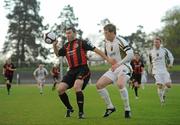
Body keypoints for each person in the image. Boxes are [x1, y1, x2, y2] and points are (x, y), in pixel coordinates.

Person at [53, 27, 115, 119]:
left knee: (77, 86)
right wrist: (54, 46)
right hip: (71, 70)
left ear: (75, 33)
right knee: (60, 89)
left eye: (69, 33)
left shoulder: (82, 42)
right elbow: (58, 54)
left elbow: (96, 50)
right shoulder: (66, 46)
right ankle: (69, 108)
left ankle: (81, 113)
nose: (67, 35)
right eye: (66, 33)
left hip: (83, 69)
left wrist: (107, 59)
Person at [96, 24, 134, 118]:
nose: (104, 35)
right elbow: (105, 57)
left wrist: (119, 63)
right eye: (104, 33)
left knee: (120, 84)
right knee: (99, 85)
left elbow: (130, 54)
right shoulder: (106, 43)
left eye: (106, 33)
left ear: (112, 32)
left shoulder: (120, 40)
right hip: (114, 69)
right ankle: (110, 107)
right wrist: (88, 58)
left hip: (125, 67)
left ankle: (127, 110)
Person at [149, 37, 174, 105]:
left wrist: (170, 64)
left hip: (164, 70)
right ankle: (162, 101)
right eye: (155, 42)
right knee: (160, 85)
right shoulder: (151, 52)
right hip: (156, 71)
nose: (156, 43)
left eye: (157, 42)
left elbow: (171, 56)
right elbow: (150, 62)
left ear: (160, 43)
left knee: (168, 85)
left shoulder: (164, 50)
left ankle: (163, 94)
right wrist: (150, 70)